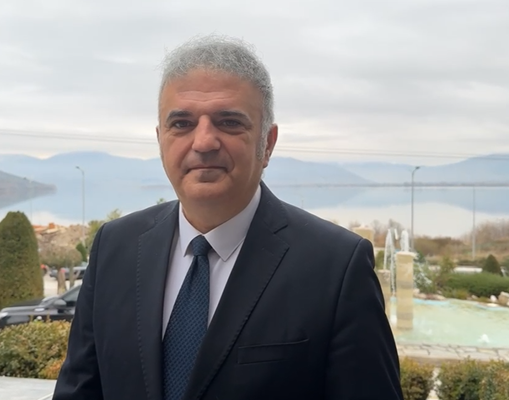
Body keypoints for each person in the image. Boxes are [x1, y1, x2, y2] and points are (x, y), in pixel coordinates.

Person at [53, 35, 402, 400]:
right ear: (160, 140)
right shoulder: (115, 247)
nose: (204, 142)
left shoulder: (336, 267)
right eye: (182, 123)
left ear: (267, 143)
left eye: (229, 122)